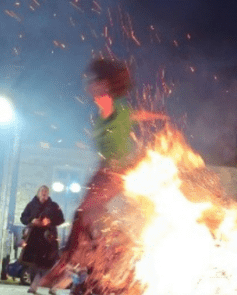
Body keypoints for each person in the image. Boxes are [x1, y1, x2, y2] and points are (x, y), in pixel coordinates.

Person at [42, 58, 159, 294]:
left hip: (115, 171)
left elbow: (120, 108)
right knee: (96, 221)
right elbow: (133, 114)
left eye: (93, 83)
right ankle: (97, 269)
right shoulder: (117, 107)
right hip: (111, 170)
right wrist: (153, 116)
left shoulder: (111, 105)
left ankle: (71, 261)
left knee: (85, 214)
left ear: (105, 84)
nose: (88, 87)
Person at [19, 185, 65, 295]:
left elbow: (61, 219)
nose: (44, 193)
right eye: (42, 191)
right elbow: (23, 218)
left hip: (48, 239)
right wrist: (32, 220)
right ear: (38, 192)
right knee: (34, 264)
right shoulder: (31, 205)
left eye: (46, 191)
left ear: (48, 193)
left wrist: (50, 221)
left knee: (49, 264)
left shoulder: (54, 206)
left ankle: (51, 287)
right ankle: (34, 287)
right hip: (34, 239)